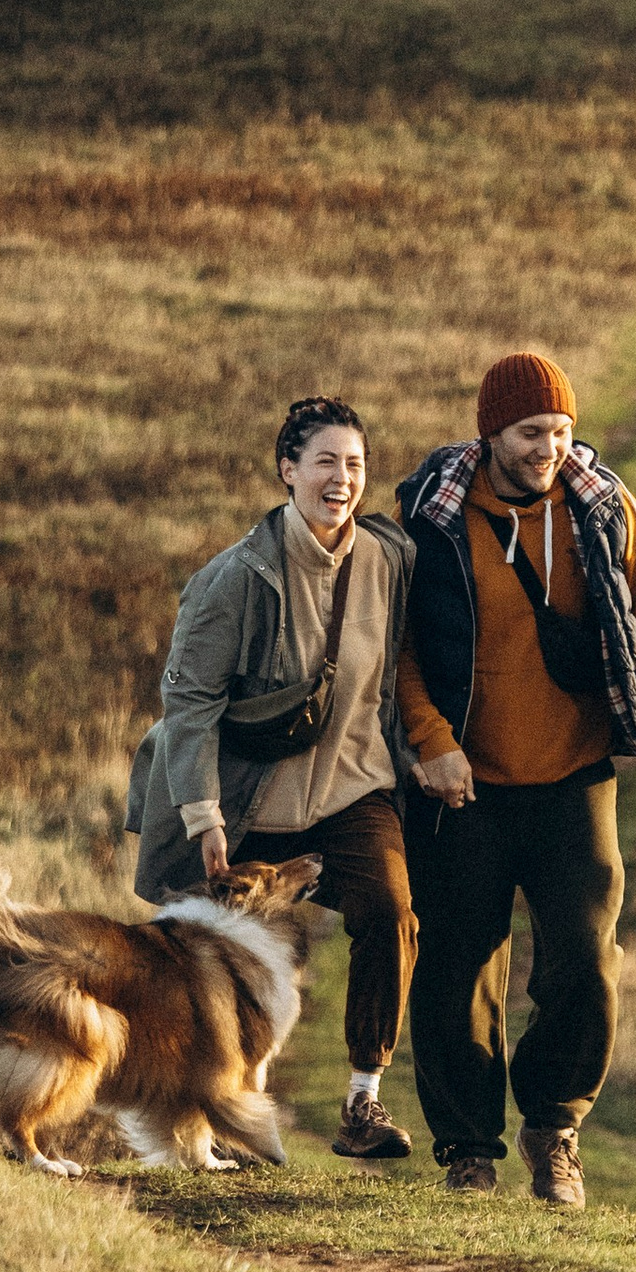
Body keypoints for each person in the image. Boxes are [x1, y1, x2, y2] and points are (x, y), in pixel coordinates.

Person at [396, 349, 636, 1206]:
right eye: (532, 433)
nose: (550, 449)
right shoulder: (431, 517)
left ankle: (554, 1126)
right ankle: (466, 1150)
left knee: (584, 958)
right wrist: (430, 741)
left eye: (562, 432)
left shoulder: (607, 514)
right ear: (490, 432)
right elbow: (400, 649)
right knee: (457, 967)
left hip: (575, 776)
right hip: (461, 783)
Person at [129, 395, 419, 1163]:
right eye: (325, 461)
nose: (342, 479)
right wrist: (204, 813)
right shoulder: (234, 579)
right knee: (201, 957)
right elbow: (189, 701)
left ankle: (363, 1098)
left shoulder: (388, 560)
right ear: (288, 471)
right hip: (252, 799)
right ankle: (214, 1108)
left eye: (355, 464)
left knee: (390, 914)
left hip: (355, 787)